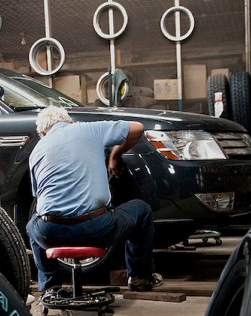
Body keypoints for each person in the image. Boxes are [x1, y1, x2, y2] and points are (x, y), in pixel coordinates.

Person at [26, 105, 162, 298]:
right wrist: (114, 155)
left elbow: (39, 197)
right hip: (95, 229)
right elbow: (137, 128)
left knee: (33, 225)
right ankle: (140, 277)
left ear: (42, 133)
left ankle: (50, 287)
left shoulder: (36, 151)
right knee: (142, 209)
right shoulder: (88, 129)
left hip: (51, 232)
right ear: (71, 122)